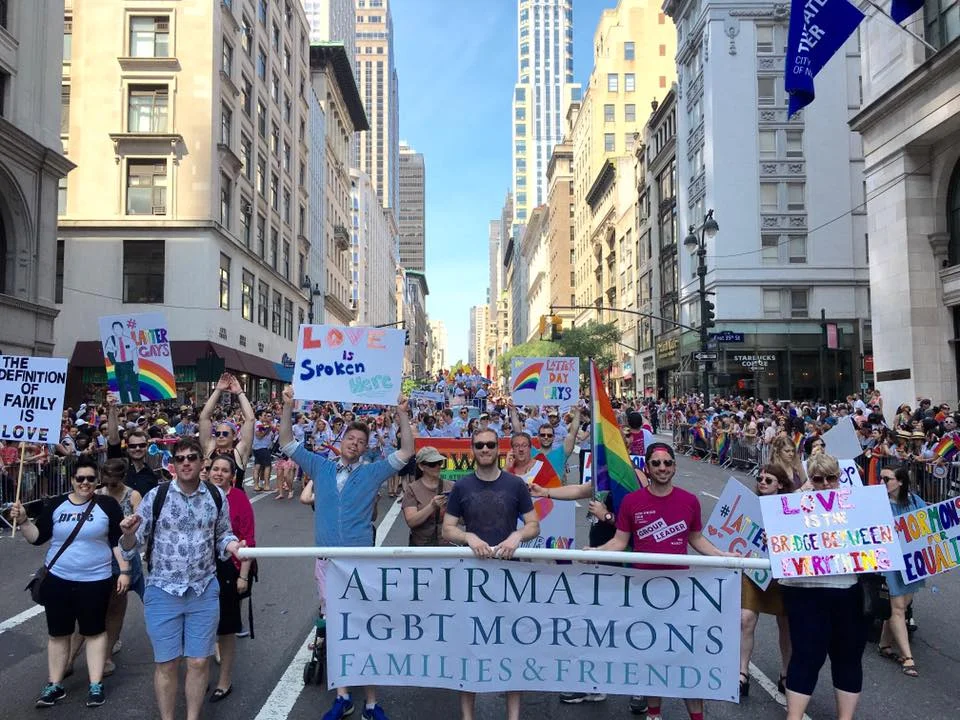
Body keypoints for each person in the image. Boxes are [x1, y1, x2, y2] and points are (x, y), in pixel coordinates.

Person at [278, 385, 414, 720]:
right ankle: (342, 697)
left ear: (367, 449)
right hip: (328, 563)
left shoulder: (372, 472)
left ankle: (371, 701)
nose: (354, 444)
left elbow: (408, 451)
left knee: (366, 628)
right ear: (341, 441)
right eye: (350, 439)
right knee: (337, 629)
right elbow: (286, 443)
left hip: (361, 563)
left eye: (361, 442)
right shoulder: (321, 467)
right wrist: (286, 407)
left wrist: (401, 413)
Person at [590, 442, 732, 720]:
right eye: (656, 463)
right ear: (648, 468)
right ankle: (654, 714)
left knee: (687, 658)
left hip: (680, 591)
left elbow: (696, 539)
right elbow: (620, 542)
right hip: (644, 590)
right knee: (652, 657)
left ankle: (697, 717)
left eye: (667, 463)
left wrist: (722, 555)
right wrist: (594, 553)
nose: (662, 468)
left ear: (674, 467)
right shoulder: (632, 502)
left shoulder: (690, 500)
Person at [118, 437, 244, 720]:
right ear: (173, 465)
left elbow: (223, 534)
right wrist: (127, 532)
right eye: (180, 458)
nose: (186, 462)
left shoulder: (215, 496)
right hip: (163, 591)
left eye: (192, 457)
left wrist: (233, 546)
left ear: (202, 463)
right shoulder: (156, 496)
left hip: (203, 590)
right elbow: (132, 545)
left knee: (199, 662)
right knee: (167, 663)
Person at [10, 457, 128, 709]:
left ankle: (95, 685)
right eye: (80, 478)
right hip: (58, 579)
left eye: (90, 478)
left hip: (95, 580)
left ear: (97, 481)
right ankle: (55, 684)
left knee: (94, 632)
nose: (85, 483)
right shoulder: (55, 504)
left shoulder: (107, 505)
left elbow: (118, 542)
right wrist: (22, 521)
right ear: (72, 480)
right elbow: (38, 537)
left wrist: (125, 571)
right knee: (58, 634)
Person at [442, 428, 540, 720]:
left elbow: (534, 524)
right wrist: (469, 537)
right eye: (479, 445)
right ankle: (467, 716)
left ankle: (513, 716)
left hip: (509, 576)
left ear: (499, 449)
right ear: (472, 449)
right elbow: (448, 528)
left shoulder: (516, 485)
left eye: (490, 445)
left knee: (511, 646)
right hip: (471, 577)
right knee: (469, 646)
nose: (485, 449)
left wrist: (517, 536)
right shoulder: (461, 488)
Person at [780, 452, 867, 720]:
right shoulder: (792, 504)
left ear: (839, 477)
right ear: (811, 479)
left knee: (848, 656)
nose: (826, 484)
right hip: (803, 589)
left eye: (831, 478)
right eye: (819, 479)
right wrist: (800, 495)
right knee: (806, 655)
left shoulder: (855, 504)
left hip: (845, 589)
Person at [739, 464, 792, 699]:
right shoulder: (749, 504)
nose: (762, 482)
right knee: (746, 619)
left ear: (780, 484)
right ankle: (742, 673)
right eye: (760, 478)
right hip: (754, 568)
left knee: (786, 624)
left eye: (768, 480)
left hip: (782, 573)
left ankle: (785, 673)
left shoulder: (790, 508)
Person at [208, 454, 257, 701]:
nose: (218, 474)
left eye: (224, 470)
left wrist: (243, 577)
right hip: (200, 570)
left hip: (229, 568)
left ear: (232, 476)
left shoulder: (239, 498)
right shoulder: (200, 495)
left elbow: (248, 539)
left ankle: (224, 681)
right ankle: (199, 677)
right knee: (201, 627)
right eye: (215, 469)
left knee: (226, 628)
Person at [877, 465, 924, 677]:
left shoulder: (914, 501)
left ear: (900, 482)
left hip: (911, 562)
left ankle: (885, 644)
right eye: (881, 478)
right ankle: (908, 657)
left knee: (903, 605)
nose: (882, 483)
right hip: (890, 561)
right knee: (898, 608)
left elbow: (929, 525)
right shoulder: (877, 503)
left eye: (887, 479)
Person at [199, 373, 255, 487]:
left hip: (234, 501)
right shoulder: (210, 449)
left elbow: (250, 420)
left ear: (234, 436)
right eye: (217, 433)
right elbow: (204, 418)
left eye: (225, 433)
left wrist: (239, 392)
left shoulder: (239, 452)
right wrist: (218, 390)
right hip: (212, 501)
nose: (220, 436)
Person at [105, 396, 159, 498]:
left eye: (141, 445)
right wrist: (112, 408)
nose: (137, 448)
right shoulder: (119, 467)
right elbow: (113, 438)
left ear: (147, 447)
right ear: (128, 447)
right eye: (133, 446)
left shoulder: (151, 476)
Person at [402, 446, 454, 546]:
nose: (437, 467)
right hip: (422, 547)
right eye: (432, 464)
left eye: (440, 463)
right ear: (421, 466)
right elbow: (411, 521)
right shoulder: (412, 489)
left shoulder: (451, 486)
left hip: (447, 545)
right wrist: (432, 506)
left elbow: (462, 520)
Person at [104, 320, 140, 404]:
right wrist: (114, 362)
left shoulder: (129, 340)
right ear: (113, 330)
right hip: (119, 365)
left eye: (119, 328)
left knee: (134, 385)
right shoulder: (111, 340)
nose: (117, 330)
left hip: (130, 364)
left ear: (122, 329)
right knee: (122, 386)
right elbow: (109, 351)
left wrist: (136, 365)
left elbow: (134, 353)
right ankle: (125, 403)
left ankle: (136, 402)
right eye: (115, 329)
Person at [251, 410, 276, 492]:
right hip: (261, 448)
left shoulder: (260, 424)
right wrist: (267, 429)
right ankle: (266, 485)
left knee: (257, 466)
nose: (266, 417)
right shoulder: (258, 424)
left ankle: (256, 485)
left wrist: (268, 429)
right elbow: (259, 435)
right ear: (259, 416)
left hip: (259, 447)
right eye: (264, 415)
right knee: (267, 466)